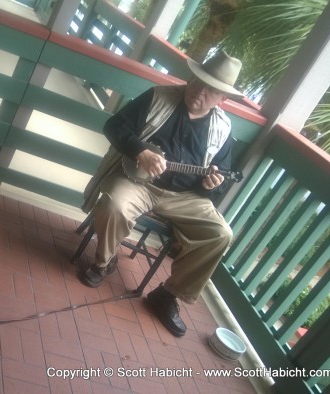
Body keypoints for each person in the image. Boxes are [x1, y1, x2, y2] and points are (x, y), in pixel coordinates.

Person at [78, 51, 242, 337]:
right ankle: (104, 261)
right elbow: (114, 126)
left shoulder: (222, 128)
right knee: (115, 204)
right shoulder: (158, 97)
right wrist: (140, 151)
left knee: (221, 234)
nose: (200, 92)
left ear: (222, 99)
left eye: (211, 90)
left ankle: (167, 295)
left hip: (185, 197)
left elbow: (222, 176)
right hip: (138, 182)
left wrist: (212, 184)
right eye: (198, 81)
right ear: (191, 77)